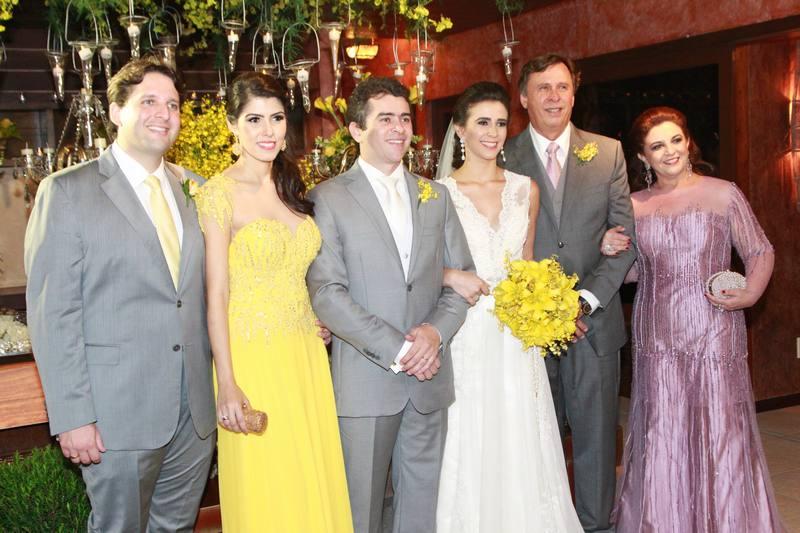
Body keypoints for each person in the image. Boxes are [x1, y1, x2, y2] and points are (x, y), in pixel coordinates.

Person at [24, 57, 216, 531]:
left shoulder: (198, 190)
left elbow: (218, 290)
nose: (163, 114)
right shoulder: (66, 192)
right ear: (115, 111)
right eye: (148, 101)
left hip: (194, 413)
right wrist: (72, 416)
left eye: (172, 105)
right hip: (116, 415)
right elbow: (54, 315)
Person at [600, 106, 785, 532]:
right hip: (656, 336)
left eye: (676, 140)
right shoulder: (633, 206)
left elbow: (760, 250)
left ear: (688, 142)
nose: (670, 151)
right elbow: (631, 272)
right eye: (657, 146)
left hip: (714, 330)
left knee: (719, 429)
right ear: (642, 157)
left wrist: (750, 293)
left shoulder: (723, 194)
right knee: (663, 431)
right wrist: (607, 247)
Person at [306, 77, 475, 533]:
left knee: (420, 510)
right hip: (367, 380)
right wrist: (400, 349)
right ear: (356, 130)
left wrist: (434, 334)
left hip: (429, 378)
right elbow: (327, 292)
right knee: (359, 510)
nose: (400, 128)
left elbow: (460, 279)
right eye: (386, 119)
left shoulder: (436, 195)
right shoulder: (327, 198)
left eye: (404, 118)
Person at [194, 72, 352, 532]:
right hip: (252, 355)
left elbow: (299, 274)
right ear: (232, 125)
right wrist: (226, 381)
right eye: (254, 119)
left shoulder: (290, 187)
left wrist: (318, 318)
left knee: (310, 476)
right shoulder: (218, 194)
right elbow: (215, 293)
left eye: (277, 118)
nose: (268, 130)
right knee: (271, 483)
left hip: (305, 353)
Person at [433, 81, 583, 532]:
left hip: (518, 334)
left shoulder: (525, 189)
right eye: (482, 122)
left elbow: (528, 263)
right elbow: (421, 269)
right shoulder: (437, 193)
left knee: (523, 431)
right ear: (460, 130)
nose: (493, 132)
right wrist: (450, 276)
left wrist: (551, 304)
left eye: (500, 123)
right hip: (467, 331)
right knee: (473, 430)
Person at [503, 53, 636, 532]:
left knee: (596, 441)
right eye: (543, 88)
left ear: (574, 94)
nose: (554, 97)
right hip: (526, 331)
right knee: (534, 442)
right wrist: (540, 309)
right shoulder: (501, 155)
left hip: (593, 326)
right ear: (524, 98)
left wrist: (581, 302)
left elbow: (624, 241)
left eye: (562, 87)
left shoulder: (608, 153)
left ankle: (596, 527)